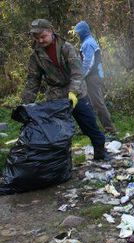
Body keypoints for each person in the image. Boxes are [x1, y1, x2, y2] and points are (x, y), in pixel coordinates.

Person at [22, 19, 109, 160]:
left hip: (77, 93)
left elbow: (77, 72)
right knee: (57, 132)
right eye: (36, 37)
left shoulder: (66, 48)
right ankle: (61, 162)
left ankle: (101, 153)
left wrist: (73, 92)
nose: (40, 40)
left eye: (43, 36)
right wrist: (26, 104)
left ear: (50, 31)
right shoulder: (36, 55)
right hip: (55, 96)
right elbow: (33, 80)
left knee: (89, 126)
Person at [74, 21, 116, 135]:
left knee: (97, 103)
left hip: (92, 77)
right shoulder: (87, 42)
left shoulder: (88, 43)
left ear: (83, 31)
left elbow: (89, 62)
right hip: (90, 77)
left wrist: (80, 77)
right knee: (86, 104)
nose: (77, 35)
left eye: (78, 32)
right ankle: (87, 128)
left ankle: (110, 130)